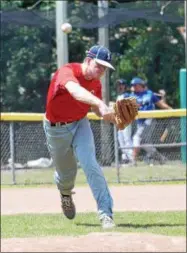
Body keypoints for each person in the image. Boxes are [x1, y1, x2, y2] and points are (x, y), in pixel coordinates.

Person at [43, 45, 116, 229]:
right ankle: (65, 194)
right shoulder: (67, 71)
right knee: (67, 174)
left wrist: (111, 114)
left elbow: (97, 111)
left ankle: (106, 214)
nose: (101, 71)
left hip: (80, 124)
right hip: (56, 129)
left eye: (104, 68)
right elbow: (75, 91)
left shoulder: (96, 84)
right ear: (88, 60)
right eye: (99, 65)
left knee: (90, 164)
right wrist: (100, 103)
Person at [130, 77, 172, 165]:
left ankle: (133, 161)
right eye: (133, 86)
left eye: (135, 85)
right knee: (144, 143)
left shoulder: (149, 94)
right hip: (140, 121)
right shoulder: (132, 96)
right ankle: (161, 158)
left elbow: (160, 104)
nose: (134, 87)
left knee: (136, 138)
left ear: (141, 85)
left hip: (149, 120)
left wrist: (170, 109)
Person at [115, 79, 133, 164]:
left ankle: (131, 158)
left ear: (125, 86)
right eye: (118, 84)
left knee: (126, 138)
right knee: (120, 139)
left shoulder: (127, 95)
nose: (120, 86)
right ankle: (125, 157)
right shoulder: (119, 95)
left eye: (121, 84)